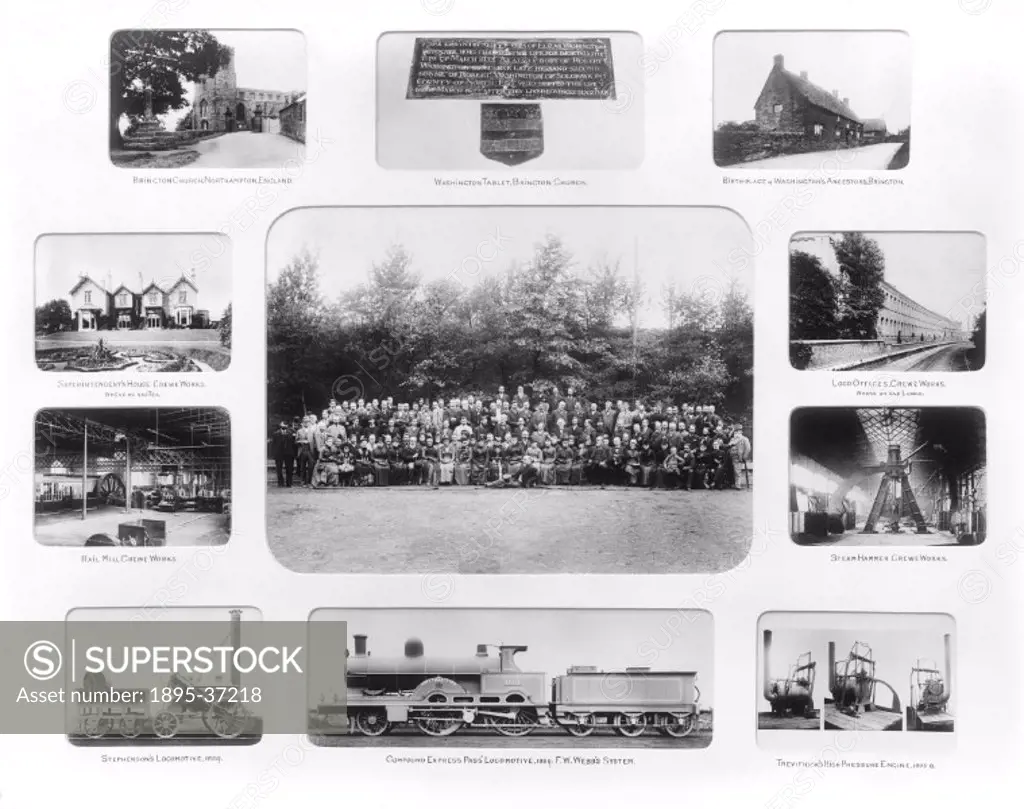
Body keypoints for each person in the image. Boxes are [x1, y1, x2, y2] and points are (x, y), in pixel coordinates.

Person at [270, 422, 296, 487]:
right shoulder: (275, 434)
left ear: (287, 425)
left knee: (289, 469)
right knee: (279, 469)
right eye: (282, 424)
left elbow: (294, 444)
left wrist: (294, 454)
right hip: (279, 453)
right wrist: (274, 454)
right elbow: (273, 445)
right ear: (280, 425)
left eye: (285, 424)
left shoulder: (291, 433)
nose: (284, 425)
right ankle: (280, 483)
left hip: (289, 453)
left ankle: (289, 483)